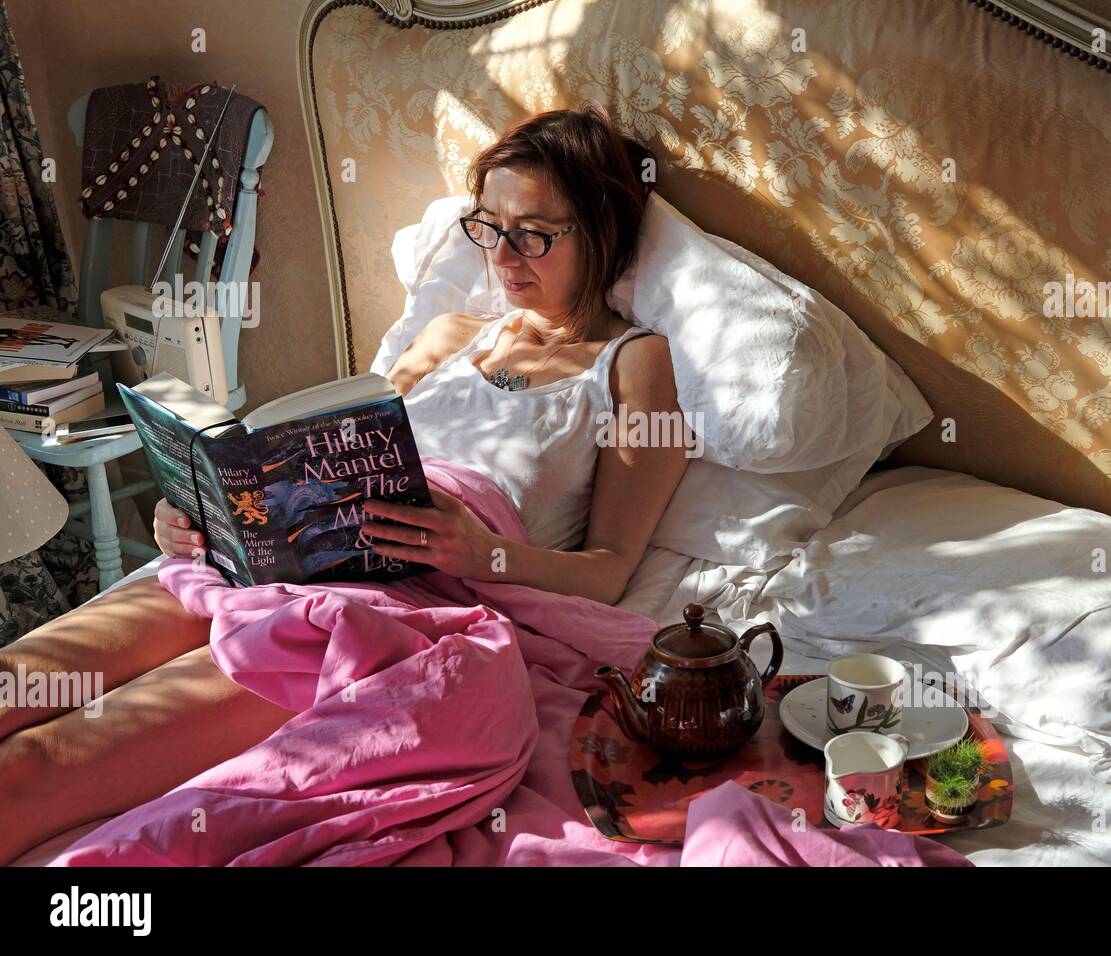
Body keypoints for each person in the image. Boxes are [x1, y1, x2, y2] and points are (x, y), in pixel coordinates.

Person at [0, 103, 688, 864]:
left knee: (35, 769)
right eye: (487, 226)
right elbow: (343, 432)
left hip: (400, 597)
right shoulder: (452, 335)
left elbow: (612, 571)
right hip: (272, 550)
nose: (502, 254)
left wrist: (481, 553)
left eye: (534, 233)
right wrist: (204, 505)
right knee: (18, 681)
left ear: (601, 232)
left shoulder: (631, 362)